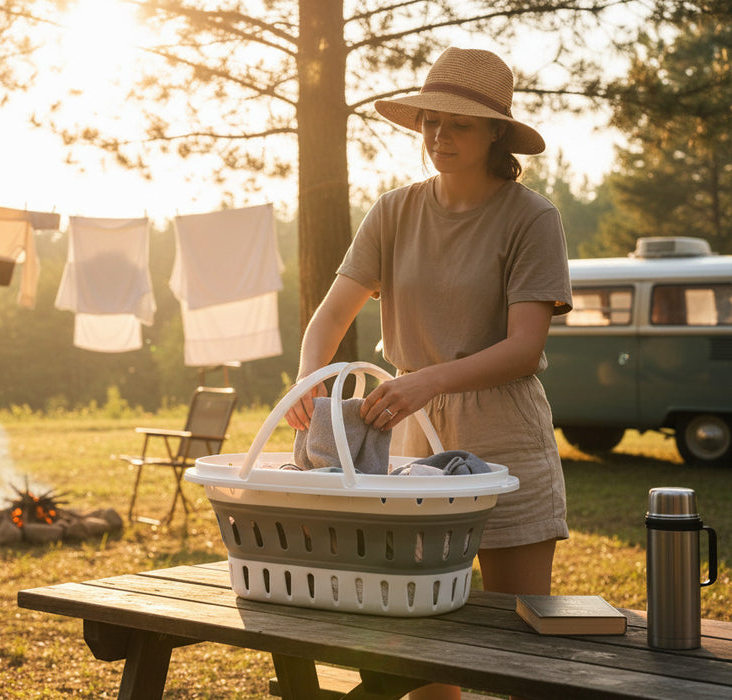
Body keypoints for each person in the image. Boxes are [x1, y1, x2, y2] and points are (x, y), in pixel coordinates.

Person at [285, 47, 572, 700]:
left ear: (496, 131)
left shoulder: (532, 218)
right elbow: (330, 316)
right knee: (417, 642)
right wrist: (310, 378)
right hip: (406, 430)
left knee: (516, 641)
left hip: (502, 428)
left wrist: (429, 380)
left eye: (459, 124)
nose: (439, 136)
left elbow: (525, 347)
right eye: (430, 121)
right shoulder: (393, 210)